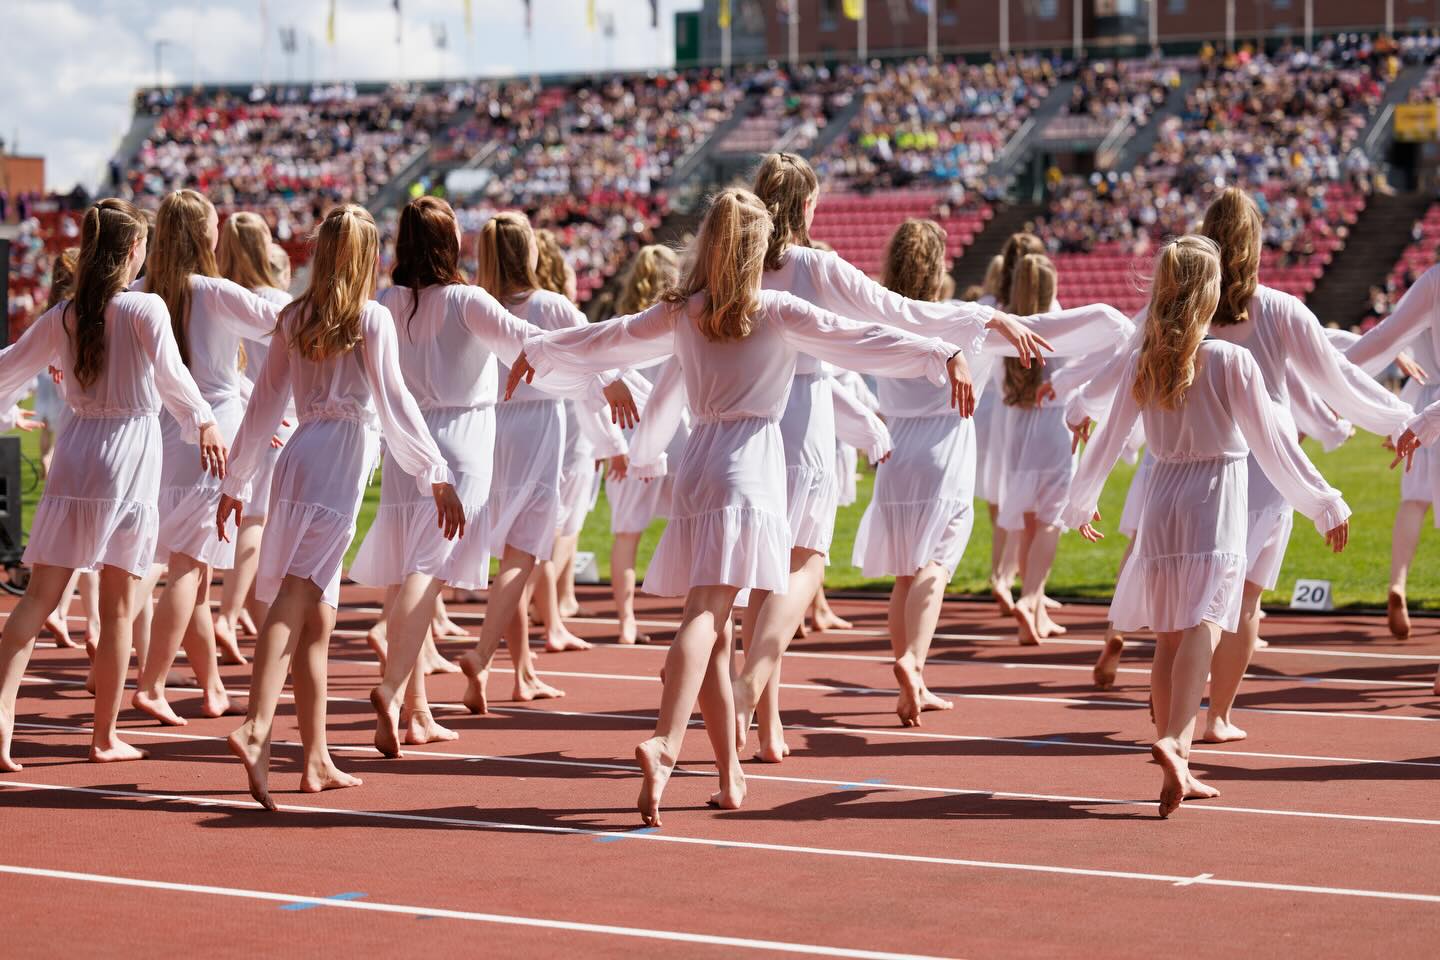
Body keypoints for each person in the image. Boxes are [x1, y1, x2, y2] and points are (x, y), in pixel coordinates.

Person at [507, 188, 979, 826]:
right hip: (749, 467)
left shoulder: (683, 311)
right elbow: (859, 338)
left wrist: (539, 350)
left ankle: (729, 773)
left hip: (699, 464)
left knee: (714, 624)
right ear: (758, 249)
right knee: (707, 616)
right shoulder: (775, 310)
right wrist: (941, 352)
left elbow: (607, 336)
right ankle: (666, 742)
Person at [1064, 235, 1350, 817]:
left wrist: (1082, 499)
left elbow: (1110, 435)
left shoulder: (1145, 359)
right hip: (1214, 497)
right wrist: (1324, 501)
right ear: (1209, 292)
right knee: (1208, 621)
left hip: (1162, 499)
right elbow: (1274, 446)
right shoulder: (1230, 360)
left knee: (1170, 633)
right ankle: (1177, 741)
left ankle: (1177, 756)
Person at [349, 197, 618, 756]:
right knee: (428, 569)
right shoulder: (466, 299)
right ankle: (394, 689)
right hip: (460, 444)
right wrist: (606, 376)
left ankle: (416, 710)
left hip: (408, 444)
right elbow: (533, 341)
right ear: (449, 243)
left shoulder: (387, 301)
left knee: (406, 571)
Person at [218, 204, 464, 810]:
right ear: (367, 257)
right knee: (298, 594)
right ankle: (256, 725)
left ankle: (316, 758)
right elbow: (396, 401)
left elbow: (264, 404)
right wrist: (435, 472)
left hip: (300, 455)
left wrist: (238, 479)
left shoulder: (295, 315)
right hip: (337, 462)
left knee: (319, 616)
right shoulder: (369, 317)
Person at [853, 220, 1128, 725]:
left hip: (895, 456)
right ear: (937, 267)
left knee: (903, 573)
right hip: (944, 453)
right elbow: (1056, 330)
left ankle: (912, 680)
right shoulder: (963, 321)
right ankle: (913, 663)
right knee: (936, 564)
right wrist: (1117, 326)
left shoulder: (881, 319)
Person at [0, 198, 225, 771]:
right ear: (134, 249)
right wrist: (203, 420)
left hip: (76, 453)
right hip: (128, 456)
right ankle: (103, 735)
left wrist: (5, 412)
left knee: (39, 597)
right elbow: (174, 377)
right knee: (120, 607)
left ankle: (2, 717)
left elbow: (9, 366)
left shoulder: (64, 314)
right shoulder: (144, 307)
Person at [453, 212, 628, 713]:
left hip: (493, 428)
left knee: (511, 551)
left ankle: (522, 672)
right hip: (537, 427)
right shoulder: (549, 303)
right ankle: (483, 654)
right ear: (527, 251)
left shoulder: (478, 304)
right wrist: (614, 386)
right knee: (524, 554)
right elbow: (593, 347)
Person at [132, 190, 284, 727]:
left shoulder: (141, 292)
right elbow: (286, 320)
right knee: (189, 568)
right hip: (212, 439)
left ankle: (212, 687)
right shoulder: (216, 292)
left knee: (193, 573)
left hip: (164, 437)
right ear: (204, 234)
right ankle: (151, 684)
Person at [213, 211, 293, 665]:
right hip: (276, 421)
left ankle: (246, 616)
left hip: (235, 417)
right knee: (257, 523)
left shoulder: (220, 297)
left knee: (244, 520)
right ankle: (229, 614)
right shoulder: (276, 301)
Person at [605, 244, 685, 646]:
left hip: (632, 439)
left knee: (627, 535)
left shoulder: (622, 328)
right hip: (677, 439)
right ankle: (696, 617)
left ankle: (626, 620)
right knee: (690, 531)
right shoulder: (682, 323)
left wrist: (611, 445)